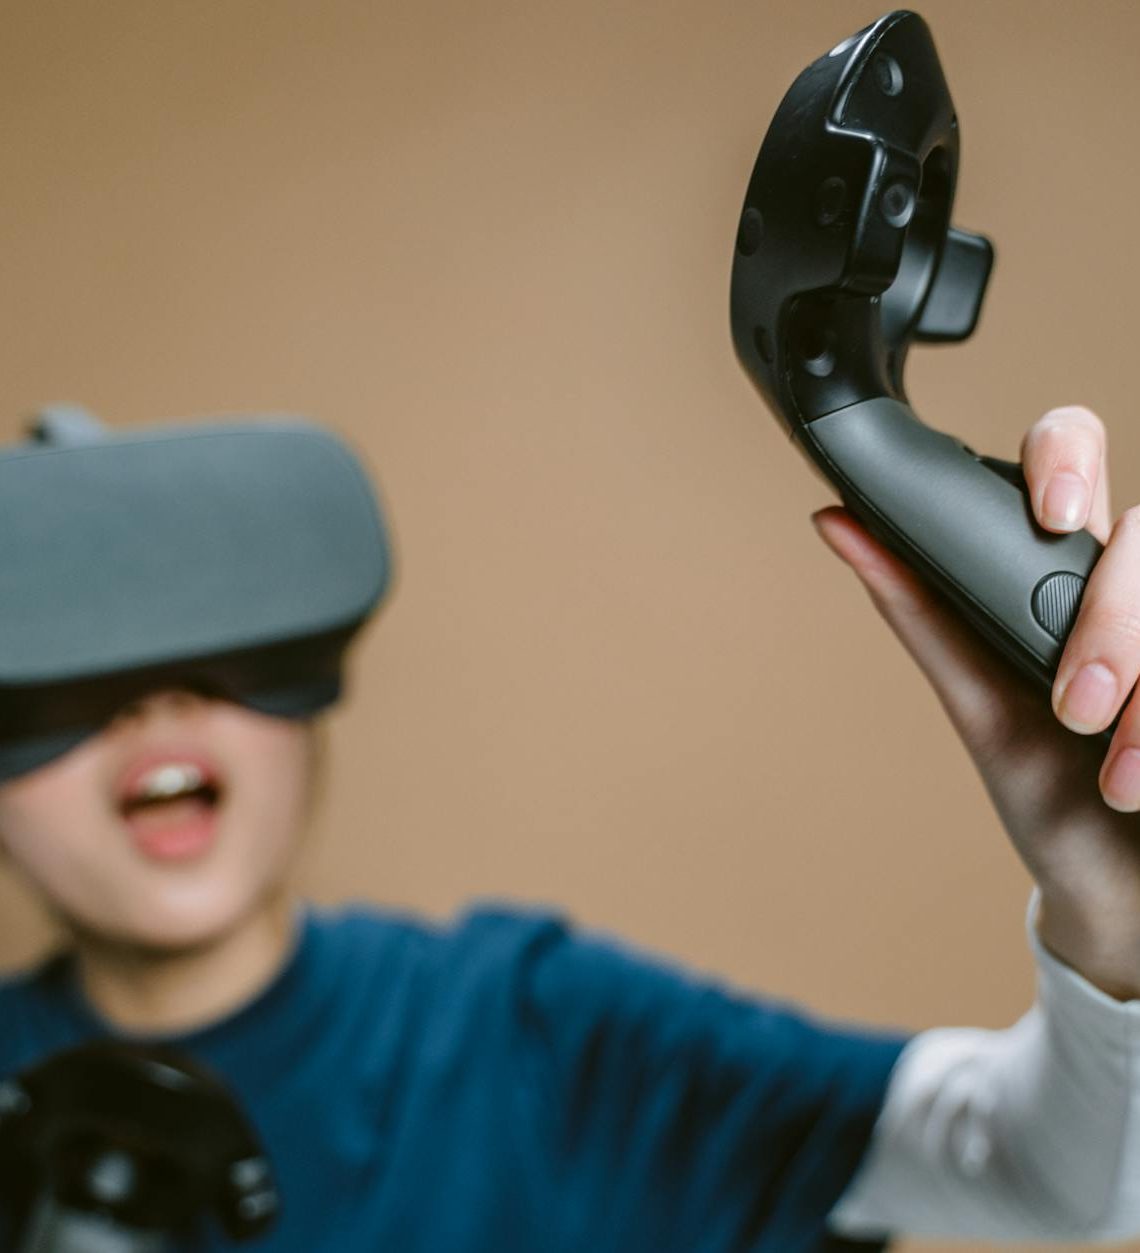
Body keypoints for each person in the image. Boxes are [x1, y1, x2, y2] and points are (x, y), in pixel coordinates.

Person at [0, 403, 1136, 1251]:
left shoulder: (533, 1034)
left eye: (217, 642)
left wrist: (1112, 901)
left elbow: (1060, 1177)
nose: (151, 706)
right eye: (50, 683)